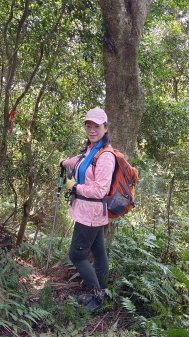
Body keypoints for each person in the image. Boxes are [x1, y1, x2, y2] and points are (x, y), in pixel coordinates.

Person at [61, 107, 115, 312]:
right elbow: (78, 161)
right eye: (88, 126)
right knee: (99, 252)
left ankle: (97, 296)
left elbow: (101, 189)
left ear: (105, 128)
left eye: (96, 126)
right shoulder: (91, 150)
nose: (92, 130)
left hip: (90, 213)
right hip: (90, 212)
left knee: (76, 255)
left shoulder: (105, 156)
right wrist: (63, 163)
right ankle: (102, 291)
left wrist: (74, 187)